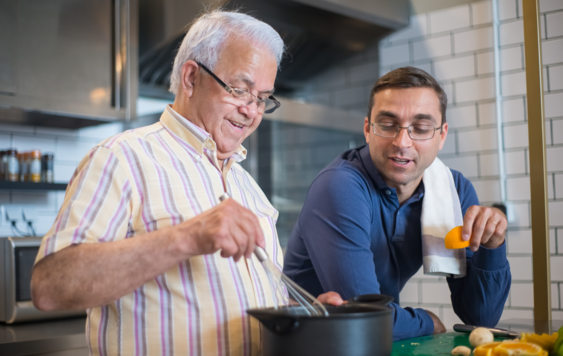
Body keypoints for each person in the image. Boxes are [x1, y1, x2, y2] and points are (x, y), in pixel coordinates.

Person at [31, 10, 341, 356]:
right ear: (192, 78)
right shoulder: (122, 157)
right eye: (240, 90)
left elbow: (255, 298)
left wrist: (306, 315)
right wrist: (186, 237)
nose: (252, 111)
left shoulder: (245, 183)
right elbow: (49, 286)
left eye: (262, 99)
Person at [283, 66, 511, 341]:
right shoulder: (340, 187)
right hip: (306, 343)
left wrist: (493, 244)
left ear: (441, 135)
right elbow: (365, 317)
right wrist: (428, 321)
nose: (402, 142)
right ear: (368, 129)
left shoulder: (453, 191)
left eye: (421, 128)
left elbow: (480, 318)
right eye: (388, 125)